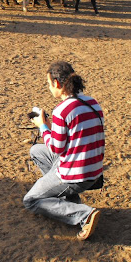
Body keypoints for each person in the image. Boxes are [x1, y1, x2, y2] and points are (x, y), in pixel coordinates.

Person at [24, 61, 105, 241]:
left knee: (31, 201)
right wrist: (52, 126)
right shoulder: (92, 102)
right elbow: (77, 135)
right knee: (37, 151)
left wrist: (43, 127)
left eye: (48, 84)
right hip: (94, 170)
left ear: (57, 84)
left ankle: (84, 214)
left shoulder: (62, 110)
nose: (49, 87)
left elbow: (56, 147)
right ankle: (69, 200)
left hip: (76, 174)